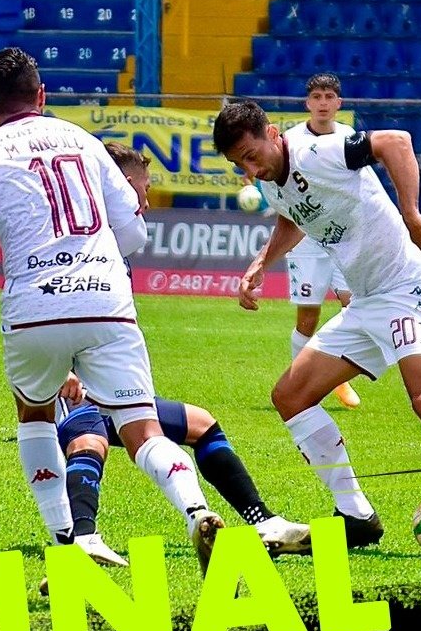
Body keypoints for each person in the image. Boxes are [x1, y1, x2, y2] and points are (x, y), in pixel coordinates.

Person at [0, 47, 224, 572]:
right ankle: (196, 510)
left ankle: (67, 541)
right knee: (142, 430)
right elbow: (133, 230)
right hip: (106, 300)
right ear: (42, 95)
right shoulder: (85, 142)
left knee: (35, 415)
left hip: (34, 305)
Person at [212, 99, 421, 562]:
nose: (250, 171)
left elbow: (396, 142)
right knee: (290, 396)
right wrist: (261, 262)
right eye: (240, 165)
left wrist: (411, 215)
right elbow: (294, 216)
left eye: (252, 156)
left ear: (272, 133)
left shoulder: (319, 150)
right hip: (366, 301)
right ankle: (355, 516)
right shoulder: (271, 180)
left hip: (408, 286)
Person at [52, 141, 311, 571]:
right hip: (70, 385)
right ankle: (83, 540)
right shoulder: (75, 242)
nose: (147, 201)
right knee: (89, 441)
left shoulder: (116, 242)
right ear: (119, 185)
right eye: (143, 188)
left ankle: (262, 523)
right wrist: (62, 370)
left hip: (115, 385)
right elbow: (47, 308)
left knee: (202, 424)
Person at [282, 74, 360, 411]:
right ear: (308, 103)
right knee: (307, 318)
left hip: (344, 236)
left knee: (354, 306)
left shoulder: (349, 138)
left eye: (329, 96)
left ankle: (335, 375)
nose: (323, 103)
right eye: (317, 97)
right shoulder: (290, 140)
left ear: (339, 103)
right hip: (307, 238)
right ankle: (300, 383)